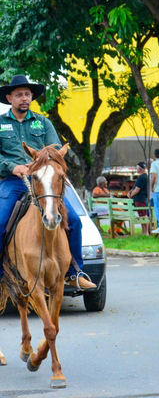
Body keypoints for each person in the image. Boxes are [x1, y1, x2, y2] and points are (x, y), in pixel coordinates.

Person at [0, 75, 96, 289]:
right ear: (9, 98)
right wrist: (13, 167)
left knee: (75, 222)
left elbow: (56, 152)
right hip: (13, 180)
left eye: (27, 94)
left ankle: (74, 273)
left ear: (31, 97)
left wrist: (41, 164)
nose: (24, 98)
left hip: (45, 182)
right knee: (0, 223)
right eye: (19, 95)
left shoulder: (43, 123)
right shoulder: (1, 124)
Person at [127, 162, 150, 236]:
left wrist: (131, 195)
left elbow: (137, 190)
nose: (136, 169)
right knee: (141, 215)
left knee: (143, 215)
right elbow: (135, 187)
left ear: (140, 169)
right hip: (140, 198)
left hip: (140, 198)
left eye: (137, 168)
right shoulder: (142, 177)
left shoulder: (142, 178)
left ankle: (146, 232)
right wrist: (130, 192)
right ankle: (143, 231)